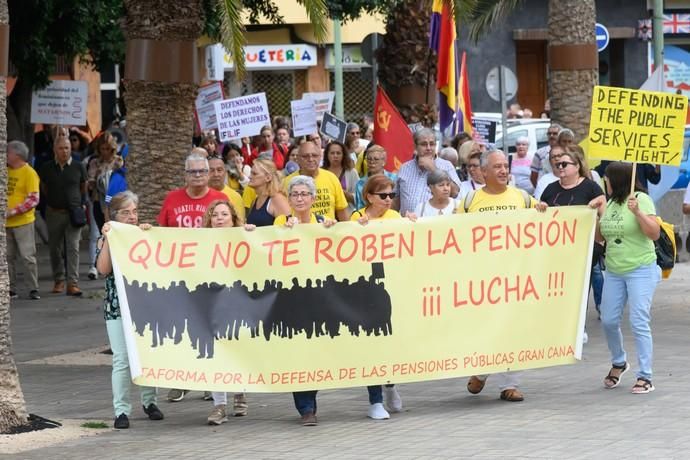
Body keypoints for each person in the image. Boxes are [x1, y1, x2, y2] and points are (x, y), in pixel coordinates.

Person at [457, 149, 546, 402]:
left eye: (505, 166)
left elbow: (542, 226)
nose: (504, 170)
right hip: (482, 278)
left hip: (515, 277)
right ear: (483, 172)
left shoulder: (522, 197)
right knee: (486, 329)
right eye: (496, 167)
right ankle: (482, 372)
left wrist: (543, 211)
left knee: (514, 328)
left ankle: (510, 384)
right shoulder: (469, 201)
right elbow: (453, 234)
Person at [158, 153, 226, 403]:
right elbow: (160, 234)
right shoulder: (172, 199)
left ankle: (212, 382)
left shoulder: (220, 199)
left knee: (211, 329)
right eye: (192, 172)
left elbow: (234, 230)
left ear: (209, 173)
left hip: (212, 277)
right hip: (181, 277)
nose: (197, 175)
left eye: (201, 171)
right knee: (182, 329)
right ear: (184, 174)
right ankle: (183, 379)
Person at [592, 162, 661, 394]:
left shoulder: (641, 199)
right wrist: (596, 214)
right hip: (614, 270)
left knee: (638, 320)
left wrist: (638, 212)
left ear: (616, 180)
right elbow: (601, 237)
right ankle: (619, 361)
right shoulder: (610, 202)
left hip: (641, 268)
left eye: (607, 179)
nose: (605, 182)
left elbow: (654, 233)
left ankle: (645, 376)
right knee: (609, 320)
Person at [97, 191, 164, 429]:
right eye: (126, 212)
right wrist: (107, 239)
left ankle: (149, 402)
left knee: (146, 354)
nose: (132, 216)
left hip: (143, 305)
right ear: (115, 215)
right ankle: (121, 410)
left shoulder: (141, 234)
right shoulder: (108, 236)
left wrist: (148, 235)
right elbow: (103, 269)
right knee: (122, 359)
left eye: (134, 211)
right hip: (117, 307)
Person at [274, 176, 336, 426]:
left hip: (320, 297)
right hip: (291, 297)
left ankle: (311, 400)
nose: (299, 198)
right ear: (289, 200)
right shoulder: (280, 222)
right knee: (299, 351)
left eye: (304, 194)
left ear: (313, 198)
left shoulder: (324, 223)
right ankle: (306, 408)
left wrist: (335, 229)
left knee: (316, 352)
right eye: (295, 194)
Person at [350, 174, 405, 419]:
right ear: (369, 196)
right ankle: (375, 400)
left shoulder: (395, 217)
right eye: (383, 195)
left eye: (392, 195)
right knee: (372, 342)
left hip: (394, 284)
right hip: (367, 290)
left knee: (390, 342)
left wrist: (413, 222)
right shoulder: (357, 218)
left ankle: (391, 384)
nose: (388, 200)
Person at [540, 146, 605, 344]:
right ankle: (558, 326)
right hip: (558, 248)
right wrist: (541, 208)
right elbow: (541, 213)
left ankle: (578, 327)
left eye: (565, 164)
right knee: (559, 287)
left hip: (584, 247)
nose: (560, 167)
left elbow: (604, 208)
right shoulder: (551, 189)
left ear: (577, 167)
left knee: (579, 286)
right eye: (557, 164)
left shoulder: (591, 187)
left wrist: (597, 204)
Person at [201, 199, 252, 423]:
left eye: (224, 214)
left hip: (237, 303)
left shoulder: (244, 238)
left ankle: (239, 391)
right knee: (215, 352)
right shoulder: (199, 242)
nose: (219, 218)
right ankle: (219, 405)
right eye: (215, 215)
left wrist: (252, 234)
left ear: (233, 219)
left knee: (238, 349)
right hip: (211, 304)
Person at [39, 136, 87, 296]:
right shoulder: (46, 168)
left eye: (67, 148)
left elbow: (83, 186)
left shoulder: (79, 166)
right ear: (55, 150)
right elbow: (44, 188)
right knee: (55, 248)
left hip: (74, 213)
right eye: (61, 148)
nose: (64, 151)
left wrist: (80, 203)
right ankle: (59, 280)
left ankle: (72, 283)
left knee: (73, 248)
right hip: (54, 213)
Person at [394, 128, 461, 216]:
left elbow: (455, 192)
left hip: (434, 225)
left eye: (432, 144)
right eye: (424, 144)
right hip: (408, 225)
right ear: (415, 146)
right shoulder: (404, 168)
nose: (429, 148)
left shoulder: (446, 166)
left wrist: (433, 169)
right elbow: (396, 200)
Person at [282, 141, 350, 221]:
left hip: (327, 231)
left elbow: (342, 211)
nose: (310, 159)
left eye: (314, 155)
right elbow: (284, 215)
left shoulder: (331, 178)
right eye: (305, 156)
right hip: (299, 232)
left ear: (320, 157)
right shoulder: (287, 182)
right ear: (298, 159)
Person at [6, 141, 40, 300]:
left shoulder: (29, 173)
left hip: (23, 222)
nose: (6, 155)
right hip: (6, 223)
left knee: (27, 257)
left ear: (17, 155)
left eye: (8, 152)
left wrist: (12, 212)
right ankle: (10, 288)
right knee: (7, 257)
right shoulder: (5, 170)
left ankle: (33, 288)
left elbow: (33, 199)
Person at [87, 132, 119, 280]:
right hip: (98, 201)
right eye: (102, 149)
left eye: (108, 148)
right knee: (99, 232)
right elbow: (91, 180)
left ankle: (114, 263)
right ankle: (96, 264)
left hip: (115, 202)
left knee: (114, 233)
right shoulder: (95, 163)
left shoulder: (118, 161)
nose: (105, 152)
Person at [354, 145, 397, 210]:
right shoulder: (360, 184)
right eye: (369, 159)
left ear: (384, 162)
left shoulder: (394, 179)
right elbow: (360, 209)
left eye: (376, 159)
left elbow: (398, 203)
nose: (371, 162)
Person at [208, 154, 245, 223]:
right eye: (211, 170)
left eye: (219, 170)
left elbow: (240, 224)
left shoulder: (235, 196)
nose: (216, 174)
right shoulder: (199, 195)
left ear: (225, 173)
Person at [322, 141, 359, 212]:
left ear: (343, 155)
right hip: (327, 215)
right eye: (332, 153)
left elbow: (359, 197)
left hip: (347, 214)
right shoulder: (321, 171)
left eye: (338, 153)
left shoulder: (352, 172)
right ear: (327, 155)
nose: (335, 156)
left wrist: (344, 194)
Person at [530, 123, 561, 187]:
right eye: (549, 134)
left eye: (555, 134)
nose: (551, 136)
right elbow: (533, 176)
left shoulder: (566, 153)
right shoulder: (539, 153)